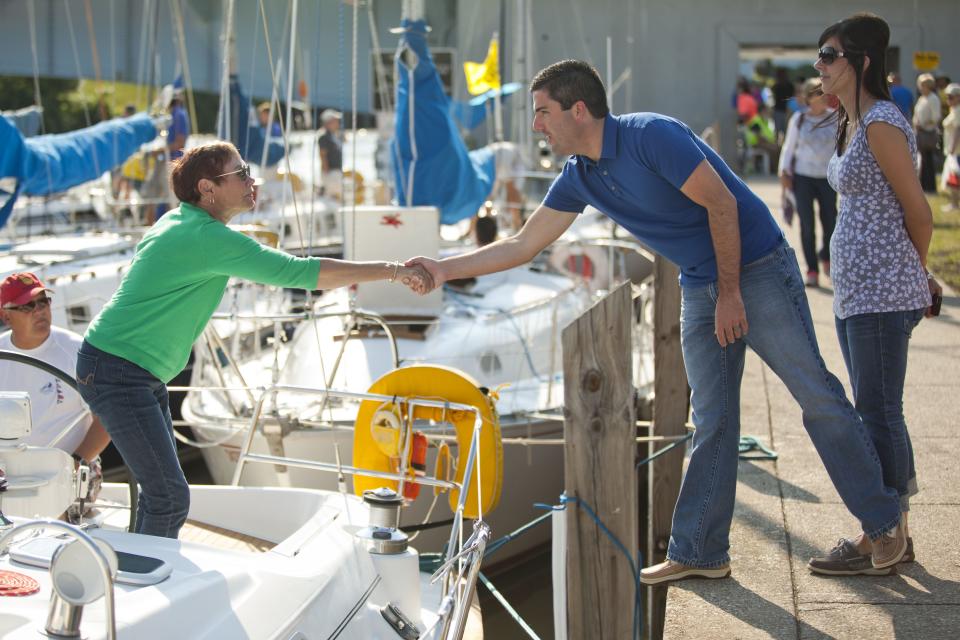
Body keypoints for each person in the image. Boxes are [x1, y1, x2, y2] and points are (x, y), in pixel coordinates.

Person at [405, 59, 908, 584]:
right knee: (712, 418)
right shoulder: (581, 176)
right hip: (699, 280)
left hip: (756, 269)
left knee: (816, 396)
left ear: (579, 109)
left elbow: (723, 205)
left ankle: (885, 525)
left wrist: (730, 293)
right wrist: (442, 268)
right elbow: (522, 243)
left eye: (543, 113)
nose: (537, 126)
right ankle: (702, 552)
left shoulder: (652, 136)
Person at [75, 141, 432, 539]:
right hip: (121, 369)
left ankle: (138, 563)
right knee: (169, 498)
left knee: (162, 492)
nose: (252, 181)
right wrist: (395, 270)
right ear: (208, 188)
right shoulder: (206, 238)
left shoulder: (183, 223)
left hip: (123, 366)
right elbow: (302, 274)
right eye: (241, 173)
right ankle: (141, 585)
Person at [807, 13, 942, 576]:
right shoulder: (852, 120)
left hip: (883, 293)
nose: (820, 65)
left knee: (878, 412)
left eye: (830, 55)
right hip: (858, 292)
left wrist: (916, 274)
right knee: (876, 409)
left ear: (861, 61)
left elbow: (920, 212)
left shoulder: (883, 121)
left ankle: (884, 536)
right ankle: (891, 532)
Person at [0, 273, 110, 467]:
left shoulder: (78, 351)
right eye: (27, 306)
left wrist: (76, 463)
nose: (39, 311)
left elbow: (107, 416)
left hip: (72, 473)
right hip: (7, 474)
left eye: (43, 302)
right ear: (6, 316)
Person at [778, 78, 837, 287]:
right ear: (808, 98)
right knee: (807, 224)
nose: (820, 98)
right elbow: (788, 147)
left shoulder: (836, 118)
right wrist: (783, 172)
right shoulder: (799, 119)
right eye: (815, 94)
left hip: (828, 177)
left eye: (823, 94)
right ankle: (811, 268)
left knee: (830, 221)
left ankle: (826, 257)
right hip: (803, 177)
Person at [913, 73, 941, 193]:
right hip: (920, 132)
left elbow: (936, 117)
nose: (920, 87)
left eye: (922, 85)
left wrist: (924, 125)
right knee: (922, 159)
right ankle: (923, 185)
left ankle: (930, 187)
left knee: (928, 160)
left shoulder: (933, 98)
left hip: (928, 133)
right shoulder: (922, 98)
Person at [940, 83, 960, 212]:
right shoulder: (954, 110)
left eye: (951, 97)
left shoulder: (958, 110)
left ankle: (954, 204)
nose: (948, 99)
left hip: (957, 151)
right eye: (947, 97)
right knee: (953, 178)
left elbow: (958, 130)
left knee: (955, 178)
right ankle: (954, 203)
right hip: (953, 151)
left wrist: (952, 148)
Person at [317, 108, 344, 200]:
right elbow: (323, 154)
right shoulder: (324, 137)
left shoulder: (335, 135)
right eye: (335, 121)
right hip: (330, 171)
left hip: (337, 170)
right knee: (331, 196)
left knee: (337, 195)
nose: (338, 123)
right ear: (328, 122)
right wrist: (326, 172)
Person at [771, 68, 796, 140]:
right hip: (786, 110)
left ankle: (777, 146)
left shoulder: (776, 85)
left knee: (778, 130)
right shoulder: (789, 85)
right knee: (786, 130)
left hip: (780, 110)